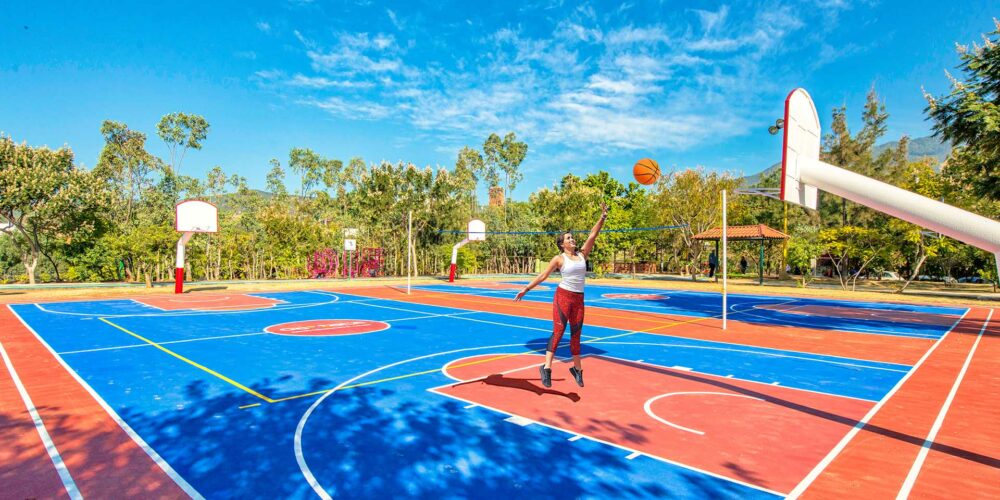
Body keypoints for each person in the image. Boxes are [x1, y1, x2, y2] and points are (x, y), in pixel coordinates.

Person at [514, 202, 608, 388]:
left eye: (572, 237)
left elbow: (593, 234)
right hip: (563, 297)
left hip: (578, 299)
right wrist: (526, 289)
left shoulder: (582, 255)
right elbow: (543, 275)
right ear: (562, 244)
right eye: (568, 238)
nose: (572, 239)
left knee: (576, 335)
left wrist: (602, 217)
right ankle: (546, 368)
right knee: (558, 332)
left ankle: (577, 369)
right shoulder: (559, 259)